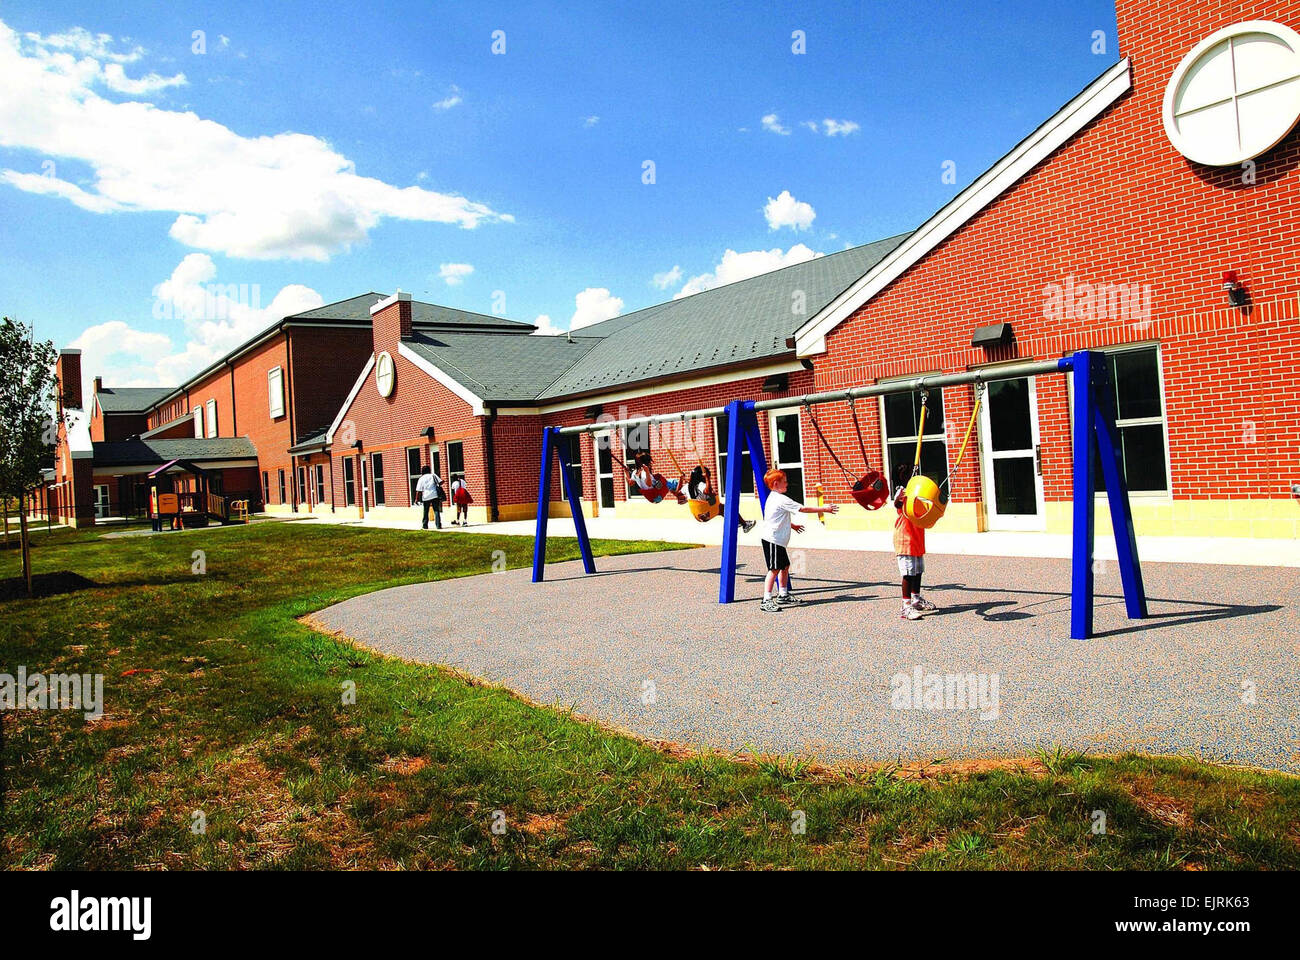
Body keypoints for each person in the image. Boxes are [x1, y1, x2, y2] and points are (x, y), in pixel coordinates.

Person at [756, 468, 837, 612]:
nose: (787, 484)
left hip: (777, 540)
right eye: (784, 482)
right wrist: (824, 509)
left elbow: (775, 518)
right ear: (776, 484)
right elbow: (803, 509)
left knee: (785, 566)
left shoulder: (773, 498)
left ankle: (783, 594)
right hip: (772, 540)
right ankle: (766, 599)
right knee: (774, 569)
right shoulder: (781, 499)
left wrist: (792, 526)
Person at [892, 464, 937, 620]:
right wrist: (899, 498)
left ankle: (916, 599)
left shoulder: (918, 489)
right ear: (901, 477)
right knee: (908, 574)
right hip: (905, 538)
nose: (911, 475)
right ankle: (906, 607)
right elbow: (897, 503)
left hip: (917, 536)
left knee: (918, 571)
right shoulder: (901, 491)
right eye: (907, 474)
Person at [687, 464, 755, 532]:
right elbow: (708, 491)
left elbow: (679, 495)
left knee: (723, 509)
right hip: (707, 512)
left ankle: (737, 522)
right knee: (728, 508)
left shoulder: (688, 487)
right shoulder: (701, 485)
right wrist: (707, 478)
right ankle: (745, 525)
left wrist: (681, 479)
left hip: (699, 515)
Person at [415, 464, 443, 529]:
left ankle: (425, 525)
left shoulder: (421, 478)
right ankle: (438, 525)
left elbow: (418, 490)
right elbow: (440, 482)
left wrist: (416, 499)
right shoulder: (433, 475)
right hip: (434, 494)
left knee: (426, 510)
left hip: (426, 496)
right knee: (436, 510)